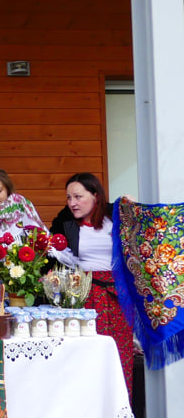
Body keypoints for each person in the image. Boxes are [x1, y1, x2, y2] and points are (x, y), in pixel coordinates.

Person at [51, 173, 134, 404]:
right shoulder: (65, 222)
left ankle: (119, 413)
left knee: (120, 352)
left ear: (95, 196)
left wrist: (130, 204)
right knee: (88, 353)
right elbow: (55, 254)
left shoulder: (114, 216)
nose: (72, 203)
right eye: (69, 197)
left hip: (118, 294)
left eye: (78, 196)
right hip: (86, 293)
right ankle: (90, 415)